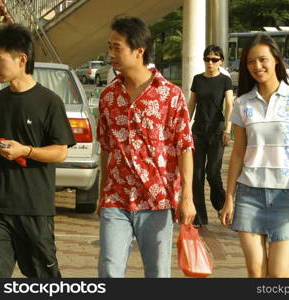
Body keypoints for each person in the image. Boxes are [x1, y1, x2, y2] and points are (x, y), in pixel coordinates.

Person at [96, 16, 195, 278]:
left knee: (157, 274)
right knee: (109, 270)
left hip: (157, 200)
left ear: (139, 50)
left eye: (117, 47)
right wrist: (101, 194)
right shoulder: (108, 97)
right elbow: (105, 148)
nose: (111, 54)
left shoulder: (170, 95)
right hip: (115, 198)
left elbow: (185, 146)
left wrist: (187, 197)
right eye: (110, 47)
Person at [0, 24, 75, 278]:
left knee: (43, 279)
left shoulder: (49, 102)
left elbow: (60, 152)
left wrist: (26, 151)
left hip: (34, 207)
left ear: (22, 59)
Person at [219, 33, 289, 278]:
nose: (257, 66)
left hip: (287, 193)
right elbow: (238, 153)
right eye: (251, 62)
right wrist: (229, 197)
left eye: (262, 59)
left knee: (279, 274)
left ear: (276, 59)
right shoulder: (243, 103)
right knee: (256, 272)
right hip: (249, 193)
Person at [187, 45, 234, 226]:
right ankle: (199, 218)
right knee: (196, 174)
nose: (210, 63)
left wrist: (227, 130)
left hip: (217, 131)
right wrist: (185, 128)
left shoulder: (225, 80)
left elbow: (229, 104)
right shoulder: (198, 79)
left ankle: (222, 206)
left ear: (221, 61)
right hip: (198, 131)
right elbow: (191, 104)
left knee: (212, 172)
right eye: (207, 59)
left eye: (214, 59)